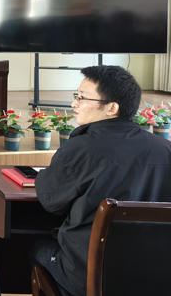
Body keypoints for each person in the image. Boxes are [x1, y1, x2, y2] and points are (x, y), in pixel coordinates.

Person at [30, 65, 171, 296]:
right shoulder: (166, 150)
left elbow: (50, 201)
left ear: (112, 108)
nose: (74, 104)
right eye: (76, 96)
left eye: (82, 98)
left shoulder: (81, 149)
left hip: (89, 276)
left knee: (37, 250)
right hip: (158, 276)